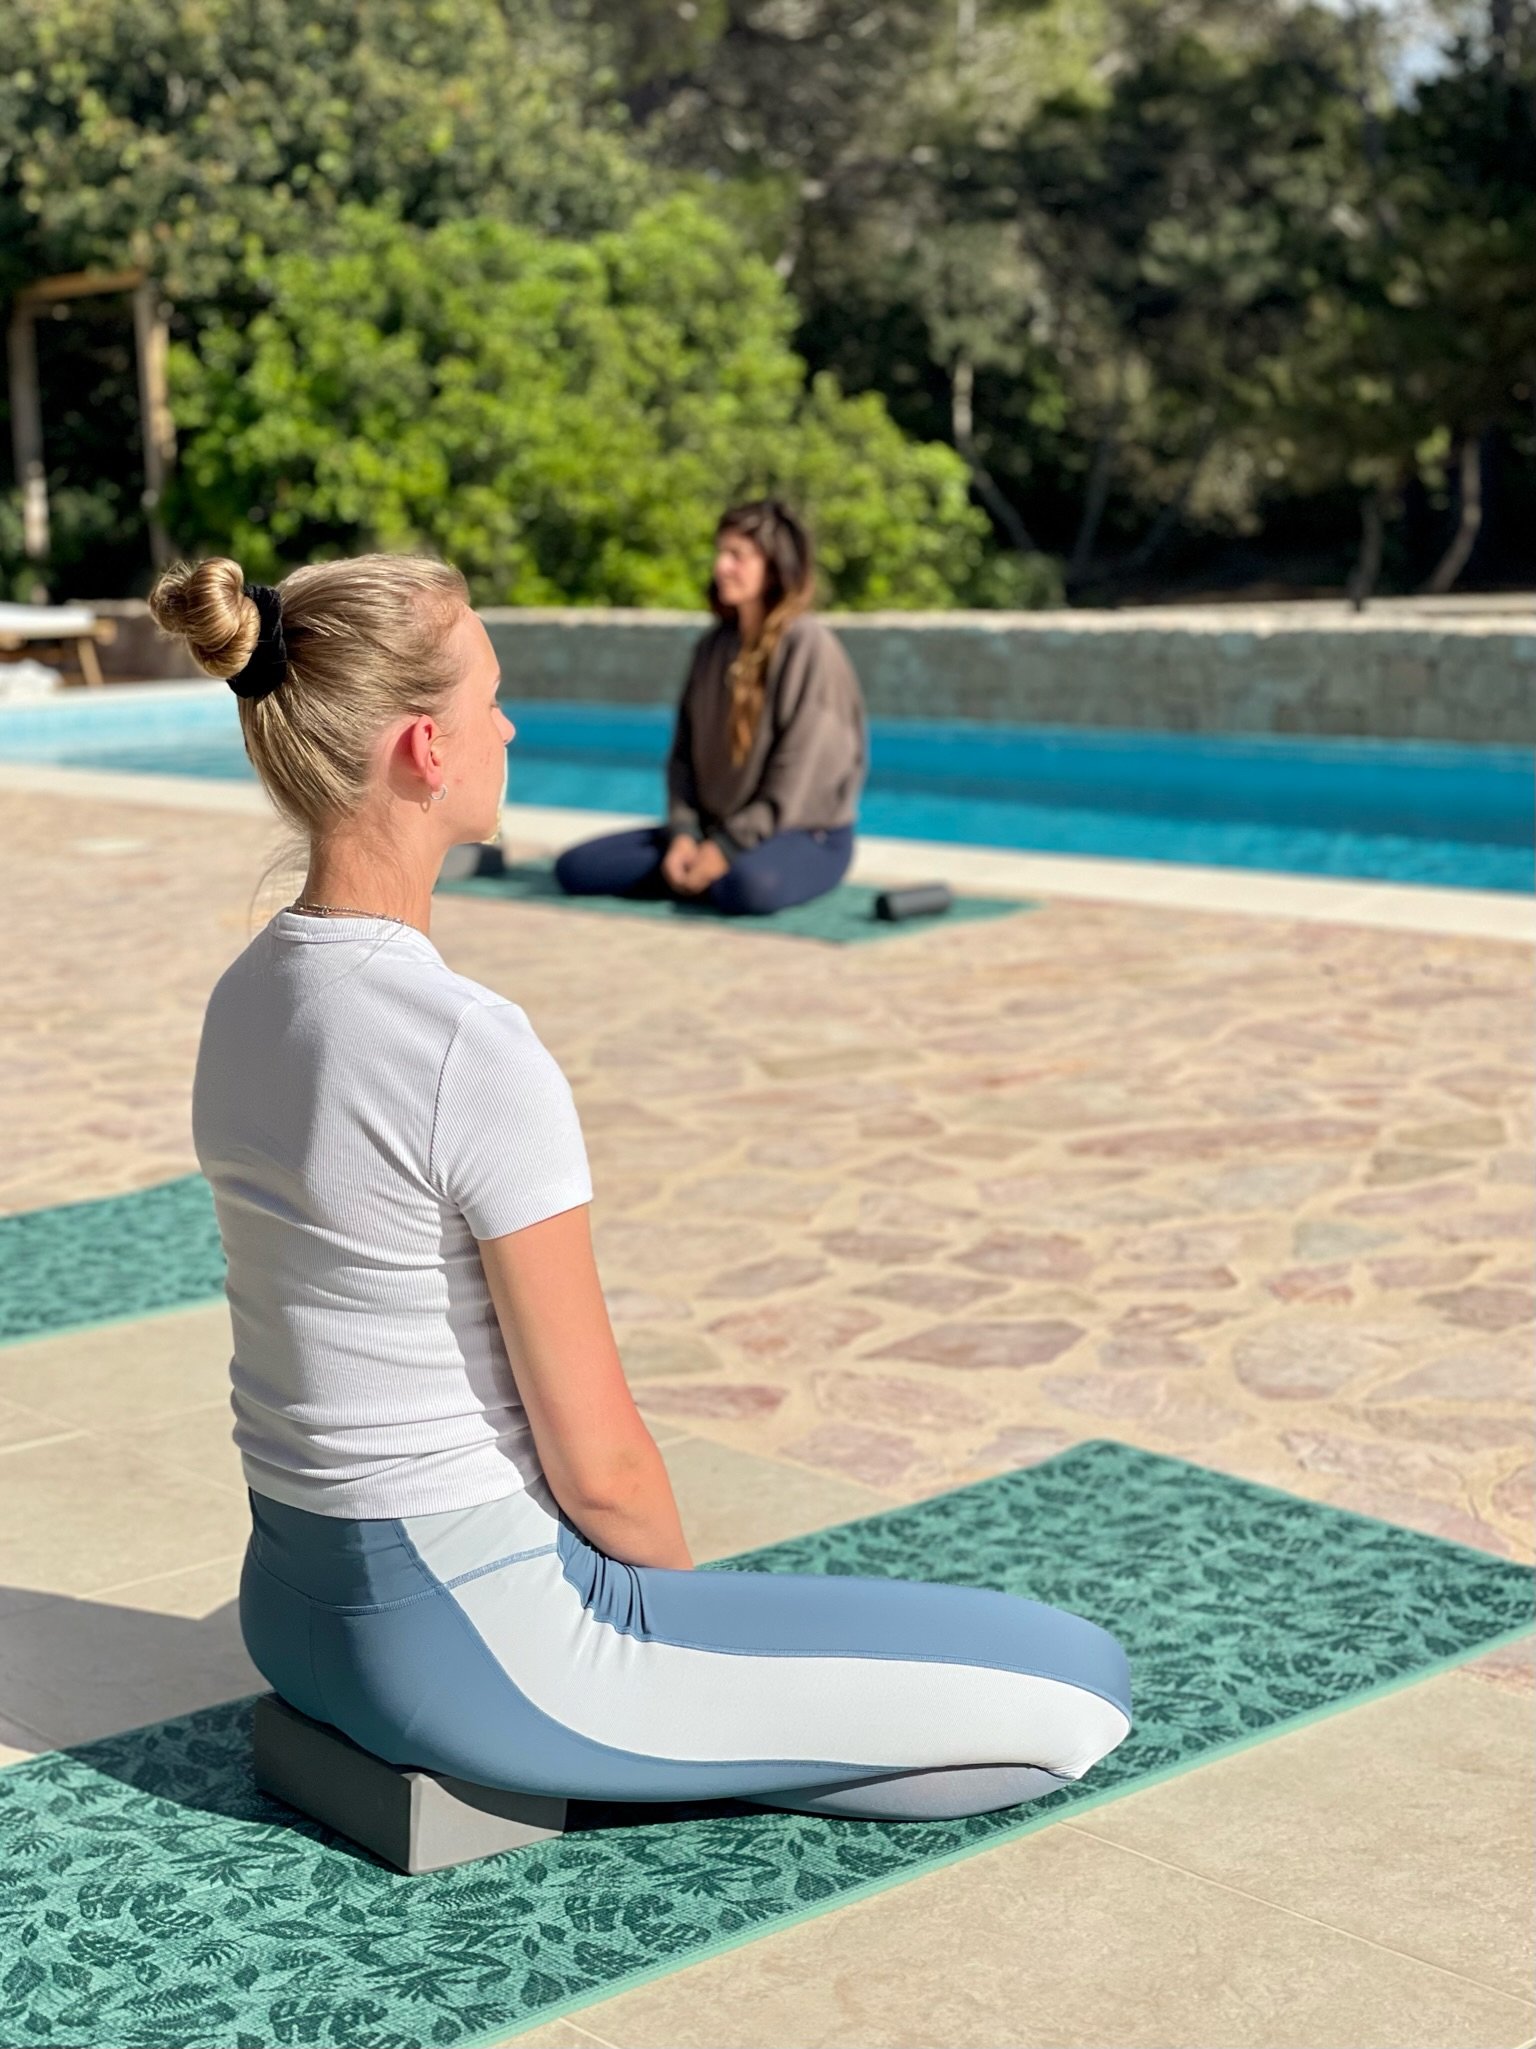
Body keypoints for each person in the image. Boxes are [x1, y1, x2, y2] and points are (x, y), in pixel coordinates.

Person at [152, 551, 1130, 1821]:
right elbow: (602, 1466)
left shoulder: (244, 999)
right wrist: (669, 1635)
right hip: (477, 1649)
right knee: (1080, 1691)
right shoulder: (462, 1044)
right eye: (490, 698)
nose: (510, 723)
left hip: (289, 1609)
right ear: (425, 750)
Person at [554, 500, 868, 917]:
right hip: (714, 832)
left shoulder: (809, 647)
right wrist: (684, 836)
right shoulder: (711, 648)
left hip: (803, 835)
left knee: (747, 887)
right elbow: (682, 757)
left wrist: (725, 849)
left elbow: (798, 780)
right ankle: (695, 871)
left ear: (774, 565)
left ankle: (710, 874)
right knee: (578, 868)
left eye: (737, 555)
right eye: (721, 552)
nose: (721, 566)